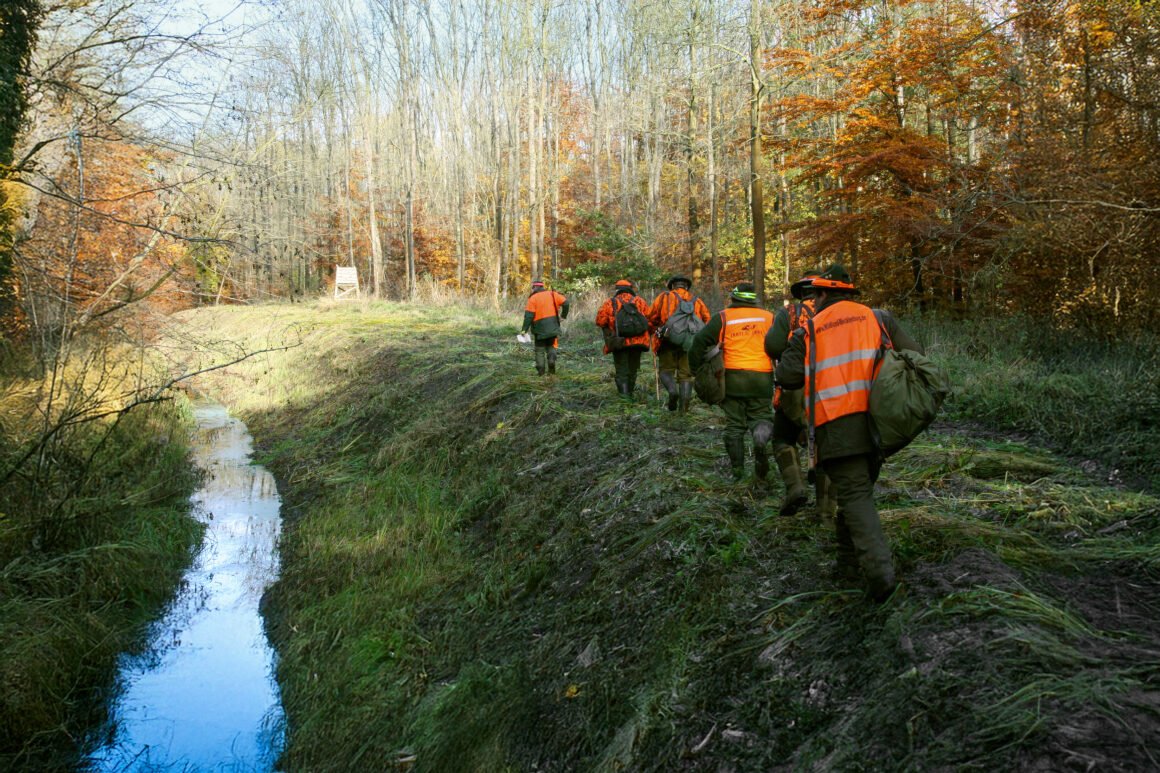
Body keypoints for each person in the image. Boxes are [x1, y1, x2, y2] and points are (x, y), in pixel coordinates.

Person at [774, 264, 925, 602]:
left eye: (814, 296)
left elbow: (787, 376)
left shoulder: (809, 330)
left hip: (838, 427)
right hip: (881, 425)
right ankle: (846, 568)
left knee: (855, 497)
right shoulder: (879, 318)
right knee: (854, 493)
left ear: (823, 294)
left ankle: (880, 575)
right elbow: (916, 356)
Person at [689, 281, 775, 482]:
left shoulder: (723, 318)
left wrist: (696, 369)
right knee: (761, 417)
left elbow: (698, 343)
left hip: (732, 379)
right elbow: (782, 344)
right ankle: (760, 440)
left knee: (735, 425)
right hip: (762, 377)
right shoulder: (770, 318)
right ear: (755, 300)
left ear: (733, 299)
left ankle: (737, 472)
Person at [763, 270, 824, 517]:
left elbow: (773, 346)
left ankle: (796, 487)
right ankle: (826, 508)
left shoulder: (790, 313)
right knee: (825, 443)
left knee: (782, 437)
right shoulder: (837, 313)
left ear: (800, 293)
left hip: (795, 387)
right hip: (834, 388)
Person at [649, 275, 711, 414]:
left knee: (666, 370)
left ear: (672, 286)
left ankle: (672, 392)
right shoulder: (697, 301)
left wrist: (654, 330)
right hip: (690, 344)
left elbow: (651, 316)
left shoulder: (664, 297)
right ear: (686, 286)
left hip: (667, 341)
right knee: (686, 375)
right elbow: (707, 320)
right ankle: (683, 410)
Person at [595, 279, 653, 398]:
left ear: (617, 289)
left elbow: (600, 321)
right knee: (633, 369)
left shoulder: (610, 302)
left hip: (619, 342)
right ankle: (630, 393)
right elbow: (650, 321)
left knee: (622, 370)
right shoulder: (640, 302)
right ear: (631, 288)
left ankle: (624, 398)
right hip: (638, 342)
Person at [522, 279, 569, 376]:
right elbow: (566, 303)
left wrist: (524, 330)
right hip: (553, 327)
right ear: (542, 287)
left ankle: (541, 372)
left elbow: (529, 316)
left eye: (533, 287)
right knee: (551, 346)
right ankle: (551, 364)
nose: (532, 289)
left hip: (539, 330)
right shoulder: (553, 294)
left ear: (535, 287)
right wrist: (563, 316)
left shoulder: (533, 298)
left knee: (539, 351)